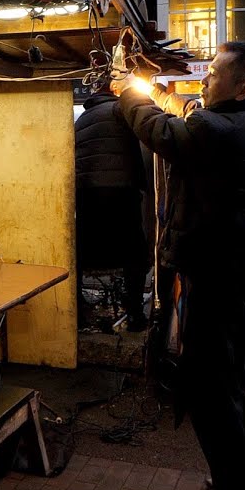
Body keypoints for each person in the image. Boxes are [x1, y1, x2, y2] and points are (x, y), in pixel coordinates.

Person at [112, 42, 245, 490]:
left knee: (209, 393)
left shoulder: (216, 131)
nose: (204, 79)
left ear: (242, 87)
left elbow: (160, 130)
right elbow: (186, 112)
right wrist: (160, 92)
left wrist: (126, 91)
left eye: (214, 74)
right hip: (244, 277)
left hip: (218, 277)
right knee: (235, 388)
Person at [74, 81, 149, 332]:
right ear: (115, 93)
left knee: (79, 254)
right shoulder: (121, 111)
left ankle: (76, 313)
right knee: (134, 255)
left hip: (87, 197)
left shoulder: (81, 119)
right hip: (121, 194)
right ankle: (135, 313)